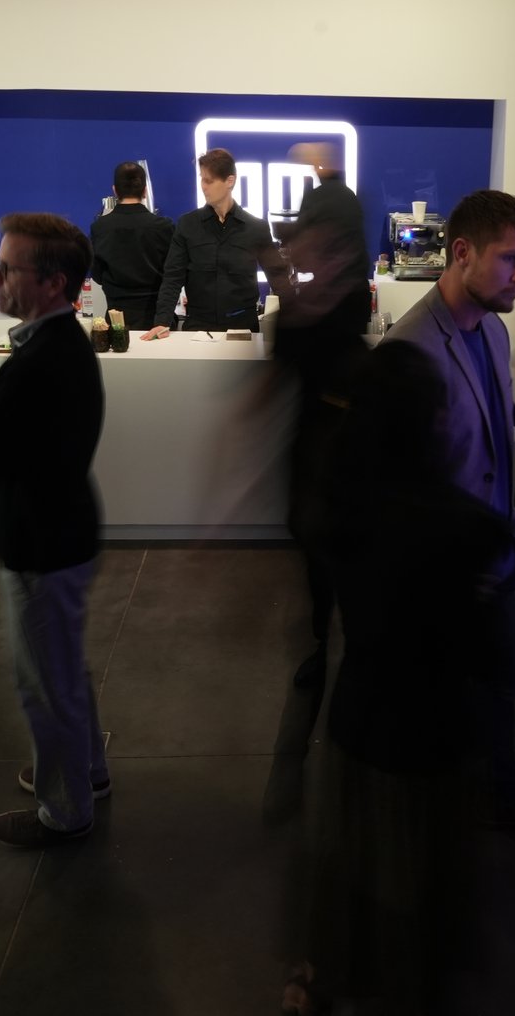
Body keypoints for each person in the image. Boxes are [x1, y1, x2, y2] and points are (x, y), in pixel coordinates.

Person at [280, 342, 502, 1016]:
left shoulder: (335, 509)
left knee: (345, 865)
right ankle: (398, 1012)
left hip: (358, 715)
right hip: (433, 728)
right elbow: (488, 651)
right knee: (415, 878)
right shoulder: (466, 527)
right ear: (430, 421)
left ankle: (315, 989)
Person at [387, 188, 515, 839]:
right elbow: (399, 493)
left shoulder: (493, 332)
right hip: (441, 579)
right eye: (510, 260)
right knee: (441, 711)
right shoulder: (410, 349)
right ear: (462, 252)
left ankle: (501, 798)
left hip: (495, 558)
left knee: (495, 695)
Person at [0, 212, 110, 848]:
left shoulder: (42, 361)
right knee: (63, 670)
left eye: (7, 268)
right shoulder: (54, 345)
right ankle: (88, 771)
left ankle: (66, 808)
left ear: (53, 283)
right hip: (59, 534)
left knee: (46, 686)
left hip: (41, 544)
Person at [269, 140, 370, 689]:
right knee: (317, 558)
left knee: (343, 560)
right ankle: (322, 643)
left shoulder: (346, 307)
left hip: (343, 457)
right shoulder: (299, 315)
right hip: (313, 454)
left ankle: (342, 651)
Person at [145, 148, 284, 337]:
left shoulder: (256, 228)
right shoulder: (187, 224)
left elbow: (278, 277)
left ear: (230, 181)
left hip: (243, 329)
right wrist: (162, 321)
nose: (203, 186)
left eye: (209, 181)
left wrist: (300, 323)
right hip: (198, 328)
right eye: (202, 179)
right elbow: (172, 277)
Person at [88, 160, 174, 327]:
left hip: (116, 320)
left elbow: (97, 274)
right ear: (145, 191)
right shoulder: (164, 227)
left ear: (115, 190)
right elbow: (173, 273)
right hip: (157, 321)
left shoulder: (99, 227)